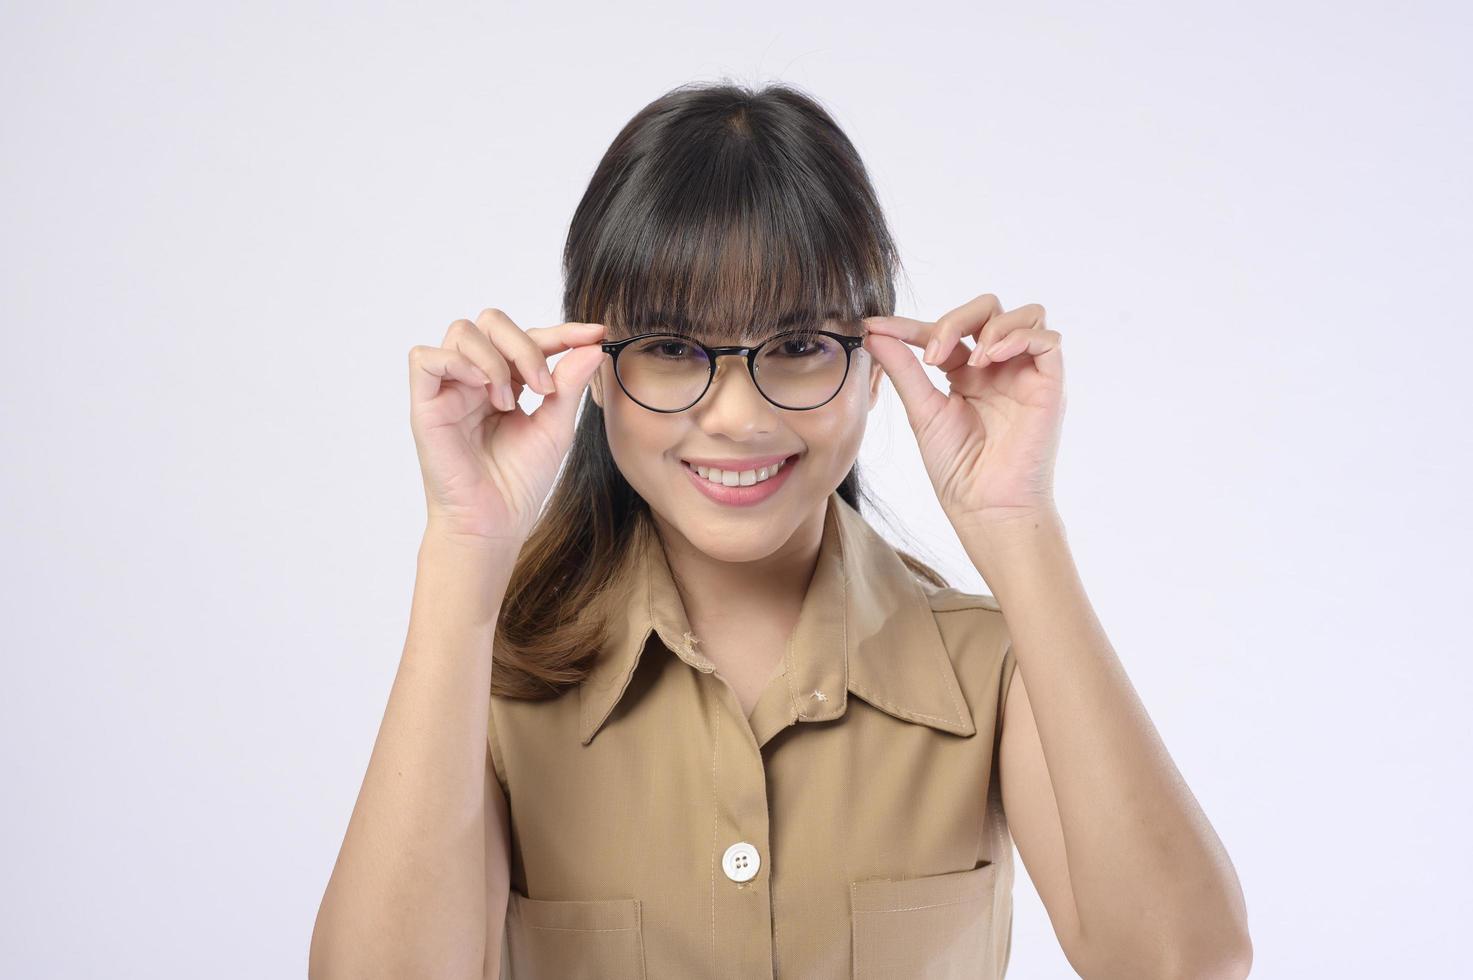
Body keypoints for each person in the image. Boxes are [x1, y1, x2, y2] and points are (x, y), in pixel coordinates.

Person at [309, 82, 1253, 980]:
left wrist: (1015, 522)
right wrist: (463, 550)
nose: (736, 418)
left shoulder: (989, 672)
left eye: (798, 347)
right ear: (593, 368)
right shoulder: (491, 677)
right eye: (674, 350)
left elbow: (1182, 964)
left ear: (877, 362)